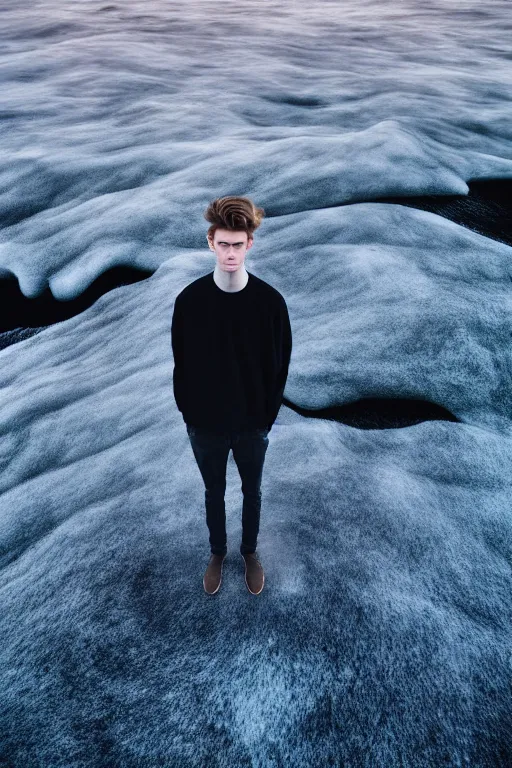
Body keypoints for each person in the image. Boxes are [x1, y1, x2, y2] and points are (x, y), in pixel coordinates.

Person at [171, 196, 292, 596]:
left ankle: (250, 553)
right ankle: (218, 553)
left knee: (252, 492)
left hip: (251, 425)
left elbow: (280, 366)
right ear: (210, 242)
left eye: (237, 244)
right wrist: (191, 415)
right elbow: (181, 363)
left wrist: (265, 417)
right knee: (213, 493)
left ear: (250, 245)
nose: (230, 253)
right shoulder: (189, 302)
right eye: (223, 244)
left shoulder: (270, 304)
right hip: (204, 425)